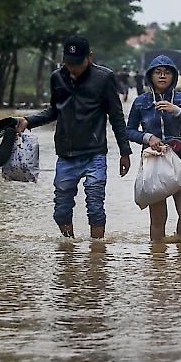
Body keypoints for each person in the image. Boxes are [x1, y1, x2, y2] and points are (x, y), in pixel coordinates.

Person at [14, 35, 132, 239]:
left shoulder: (104, 78)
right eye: (68, 64)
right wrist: (28, 121)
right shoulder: (57, 78)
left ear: (90, 57)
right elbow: (53, 112)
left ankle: (97, 253)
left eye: (77, 64)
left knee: (95, 206)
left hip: (94, 153)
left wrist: (125, 151)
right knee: (61, 210)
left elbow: (116, 117)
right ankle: (69, 249)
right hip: (66, 155)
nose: (73, 68)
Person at [126, 55, 181, 243]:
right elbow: (129, 131)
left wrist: (177, 111)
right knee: (158, 218)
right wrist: (147, 137)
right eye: (157, 73)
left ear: (173, 76)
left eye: (166, 73)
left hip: (179, 159)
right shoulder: (140, 102)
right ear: (150, 76)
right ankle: (158, 260)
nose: (162, 76)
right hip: (154, 161)